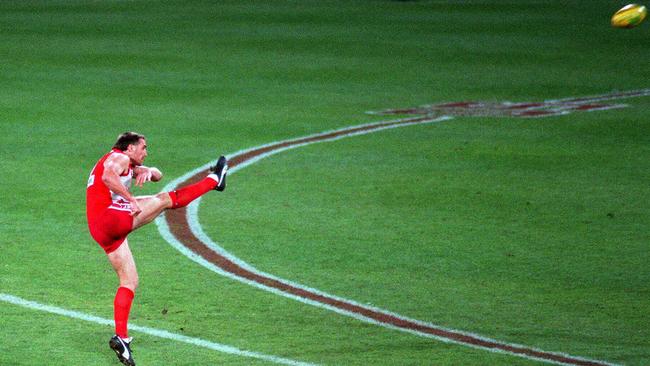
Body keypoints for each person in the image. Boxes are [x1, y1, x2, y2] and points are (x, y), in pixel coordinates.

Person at [86, 132, 228, 366]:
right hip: (110, 218)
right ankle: (215, 180)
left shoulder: (127, 163)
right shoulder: (118, 158)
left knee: (129, 281)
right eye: (143, 147)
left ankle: (121, 338)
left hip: (100, 230)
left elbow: (158, 175)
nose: (146, 151)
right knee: (164, 200)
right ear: (130, 148)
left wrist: (147, 170)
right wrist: (130, 198)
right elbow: (108, 177)